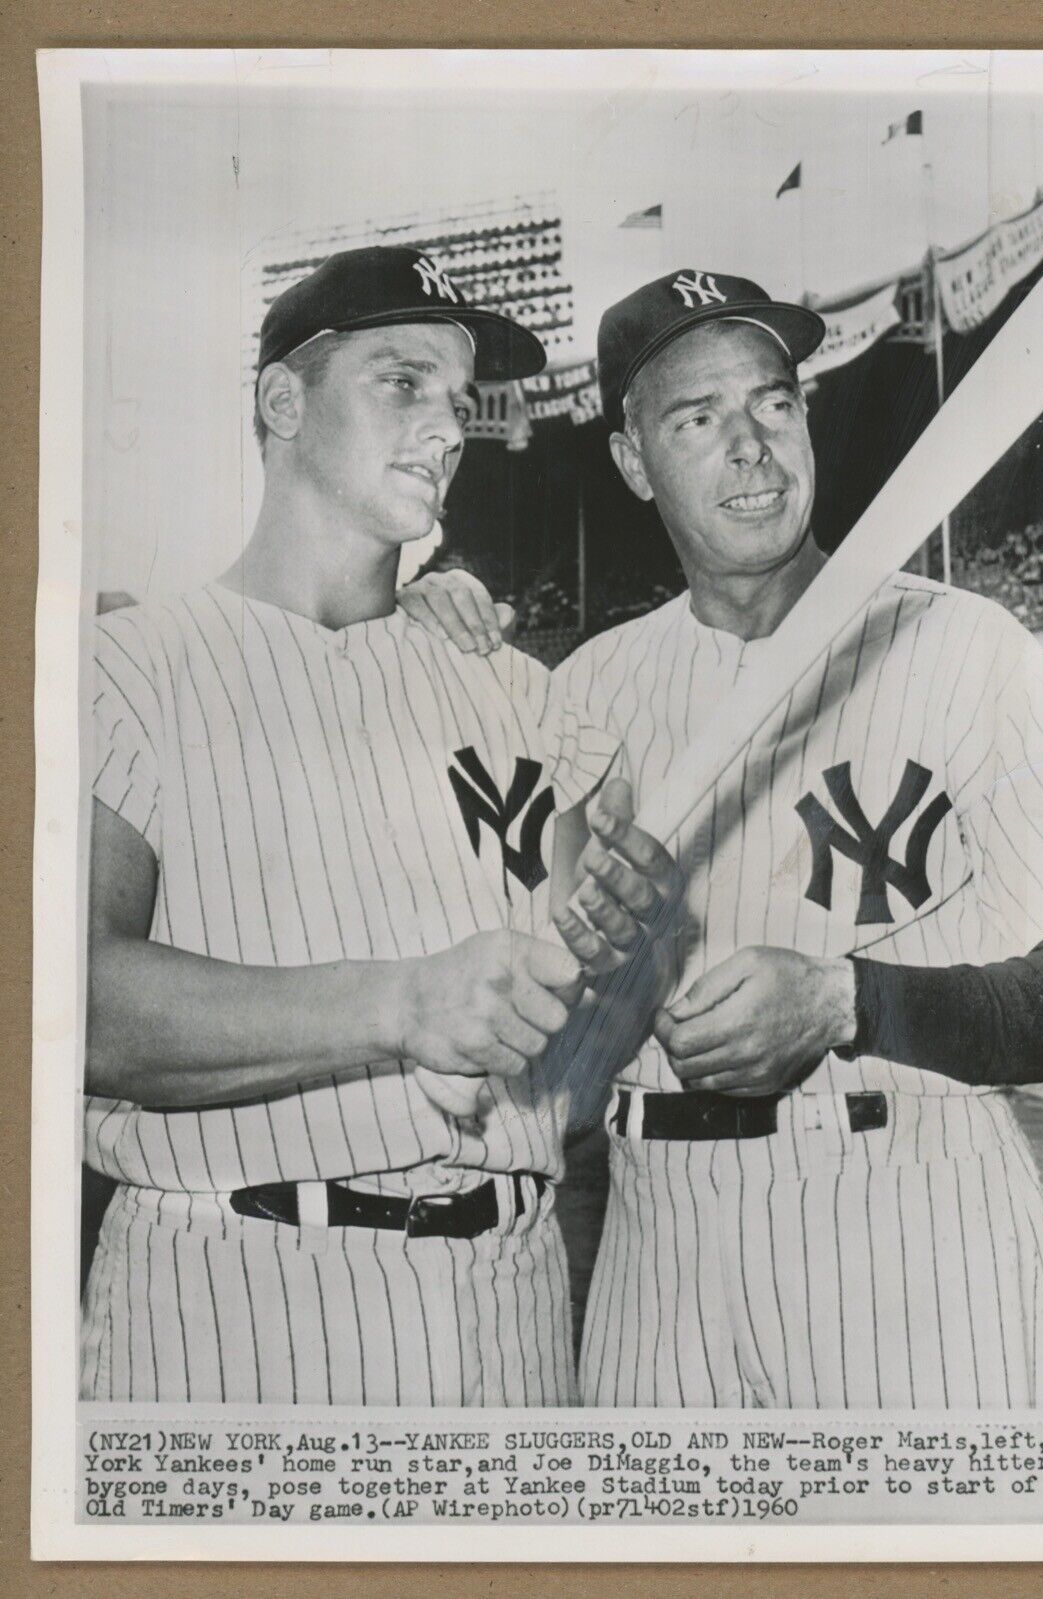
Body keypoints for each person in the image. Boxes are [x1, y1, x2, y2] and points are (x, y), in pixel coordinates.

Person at [416, 267, 1043, 1410]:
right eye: (697, 418)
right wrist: (407, 639)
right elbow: (525, 1032)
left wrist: (852, 1003)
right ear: (631, 461)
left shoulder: (960, 644)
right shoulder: (585, 694)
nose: (750, 444)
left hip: (913, 1207)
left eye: (772, 401)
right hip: (659, 1239)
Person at [81, 246, 678, 1408]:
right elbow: (71, 1004)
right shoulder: (127, 669)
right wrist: (403, 1006)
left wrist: (627, 951)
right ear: (282, 402)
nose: (448, 426)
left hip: (509, 1300)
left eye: (457, 399)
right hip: (235, 1301)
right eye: (402, 382)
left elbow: (592, 1013)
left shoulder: (517, 692)